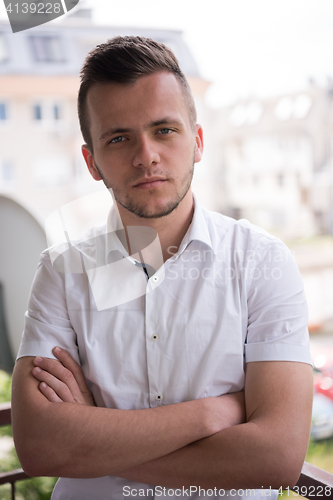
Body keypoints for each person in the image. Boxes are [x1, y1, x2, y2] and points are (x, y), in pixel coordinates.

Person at [11, 36, 313, 500]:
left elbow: (276, 459)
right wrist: (210, 415)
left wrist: (96, 437)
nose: (146, 155)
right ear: (92, 162)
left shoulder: (262, 262)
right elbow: (39, 447)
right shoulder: (61, 270)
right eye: (118, 137)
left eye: (164, 130)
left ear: (197, 141)